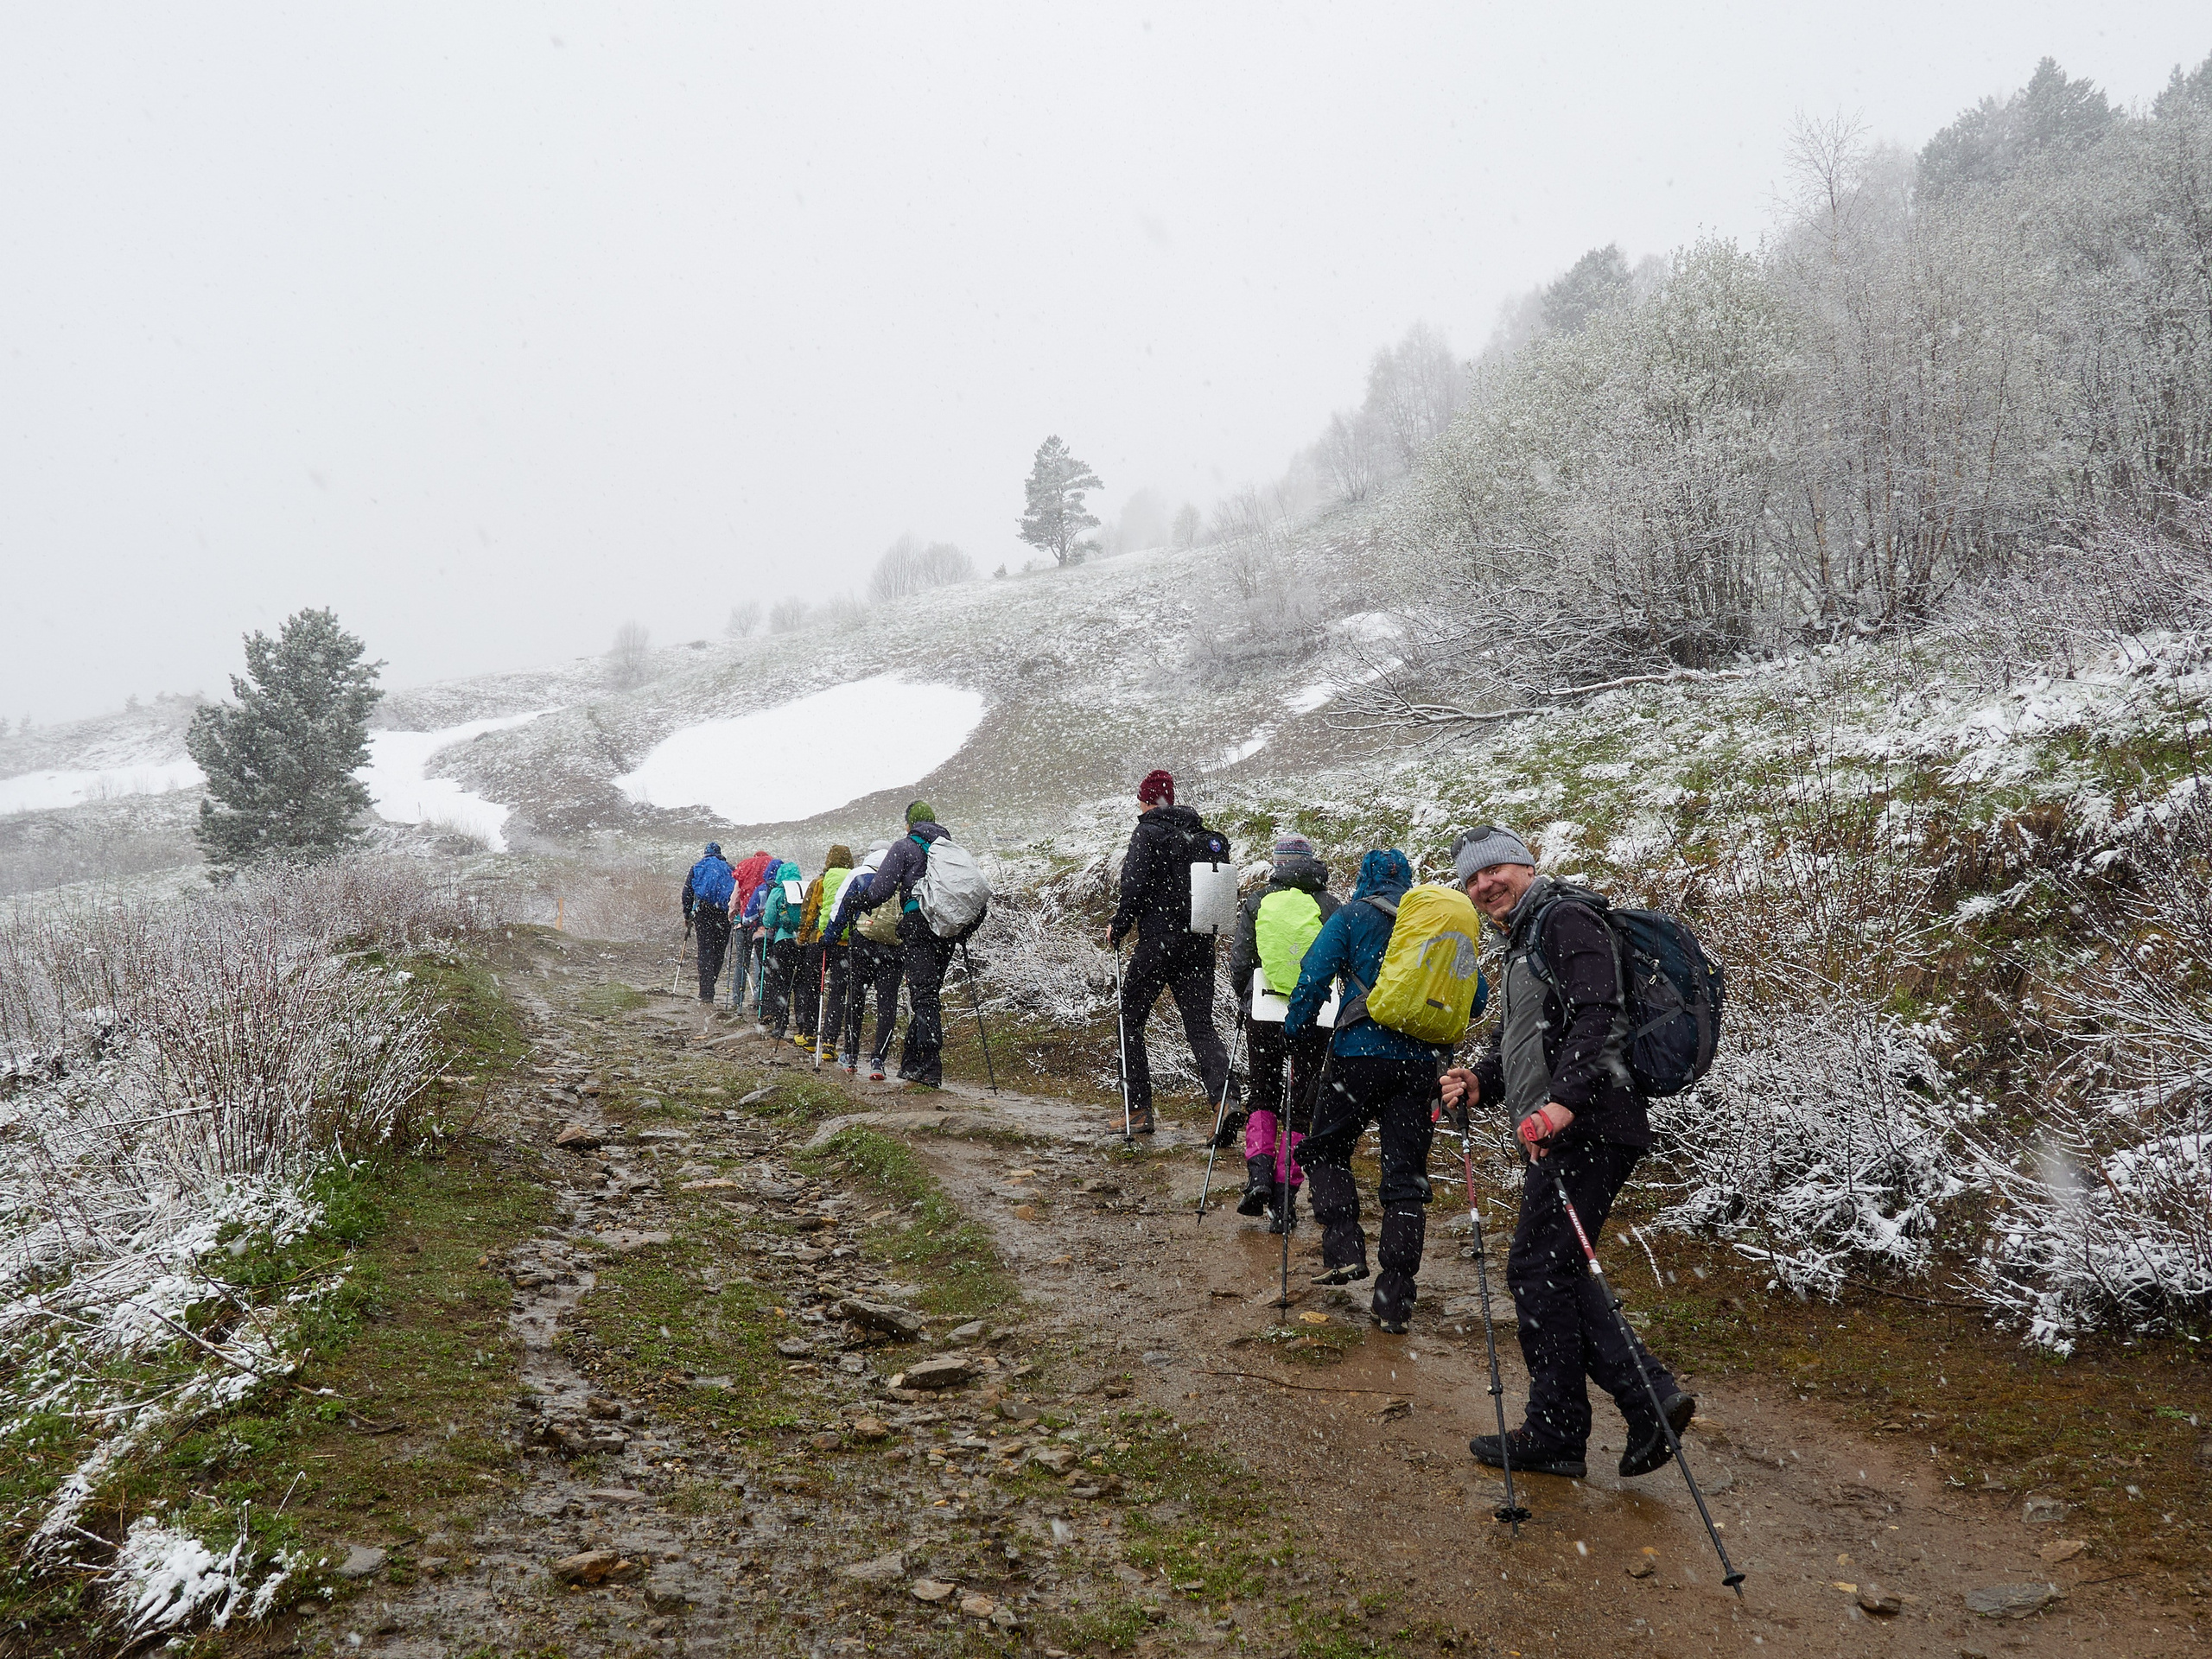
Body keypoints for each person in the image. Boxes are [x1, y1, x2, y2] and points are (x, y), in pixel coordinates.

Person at [1439, 824, 1694, 1483]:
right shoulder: (1526, 938)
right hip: (1574, 1127)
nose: (1484, 885)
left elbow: (1598, 1014)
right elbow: (1526, 1038)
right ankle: (1640, 1404)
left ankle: (1570, 1426)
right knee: (1555, 1270)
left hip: (1590, 1125)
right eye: (1473, 879)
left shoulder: (1565, 918)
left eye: (1495, 870)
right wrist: (1481, 1081)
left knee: (1538, 1270)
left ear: (1527, 866)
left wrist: (1563, 1106)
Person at [1285, 849, 1478, 1333]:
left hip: (1357, 1057)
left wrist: (1297, 1028)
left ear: (1363, 878)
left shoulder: (1352, 916)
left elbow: (1313, 974)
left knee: (1325, 1149)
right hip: (1421, 1066)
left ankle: (1344, 1248)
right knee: (1405, 1175)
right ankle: (1395, 1299)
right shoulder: (1435, 924)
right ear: (1409, 880)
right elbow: (1473, 999)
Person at [1104, 769, 1233, 1135]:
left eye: (1140, 801)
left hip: (1160, 942)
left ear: (1147, 801)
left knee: (1129, 1020)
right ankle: (1224, 1100)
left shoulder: (1148, 832)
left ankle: (1138, 1111)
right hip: (1199, 941)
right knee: (1200, 1024)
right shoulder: (1200, 836)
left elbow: (1134, 886)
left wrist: (1119, 925)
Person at [1226, 833, 1338, 1229]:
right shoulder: (1329, 905)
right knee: (1302, 1105)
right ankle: (1285, 1198)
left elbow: (1241, 961)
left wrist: (1246, 999)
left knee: (1263, 1093)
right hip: (1316, 1012)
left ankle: (1258, 1176)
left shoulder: (1258, 901)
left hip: (1265, 1008)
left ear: (1277, 864)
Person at [847, 803, 953, 1090]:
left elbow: (881, 890)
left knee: (924, 996)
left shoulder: (905, 847)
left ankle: (930, 1067)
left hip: (919, 925)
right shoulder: (948, 849)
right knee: (928, 993)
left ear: (910, 824)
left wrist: (860, 902)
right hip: (946, 928)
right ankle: (911, 1063)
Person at [827, 842, 904, 1077]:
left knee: (856, 999)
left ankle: (851, 1056)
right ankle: (878, 1060)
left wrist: (830, 938)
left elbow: (840, 909)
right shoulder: (902, 875)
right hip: (894, 948)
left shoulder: (860, 874)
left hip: (863, 944)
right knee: (887, 1004)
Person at [806, 844, 856, 1057]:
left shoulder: (822, 880)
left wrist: (803, 938)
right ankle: (829, 1043)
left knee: (815, 988)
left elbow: (811, 911)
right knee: (838, 993)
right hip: (846, 943)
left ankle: (810, 1035)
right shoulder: (855, 878)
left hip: (825, 939)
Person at [679, 842, 736, 1004]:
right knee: (719, 951)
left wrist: (687, 915)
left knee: (705, 950)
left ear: (706, 854)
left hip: (703, 913)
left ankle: (706, 992)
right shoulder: (730, 868)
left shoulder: (697, 867)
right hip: (723, 914)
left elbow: (687, 893)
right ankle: (711, 982)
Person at [758, 858, 806, 1039]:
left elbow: (768, 921)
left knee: (781, 985)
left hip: (783, 942)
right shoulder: (805, 889)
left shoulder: (778, 891)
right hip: (803, 942)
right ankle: (803, 1025)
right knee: (801, 985)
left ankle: (781, 1026)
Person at [730, 848, 775, 1009]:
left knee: (741, 962)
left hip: (743, 922)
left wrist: (732, 915)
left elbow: (735, 897)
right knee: (760, 962)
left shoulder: (745, 868)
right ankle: (758, 998)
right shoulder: (772, 870)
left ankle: (737, 999)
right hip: (763, 927)